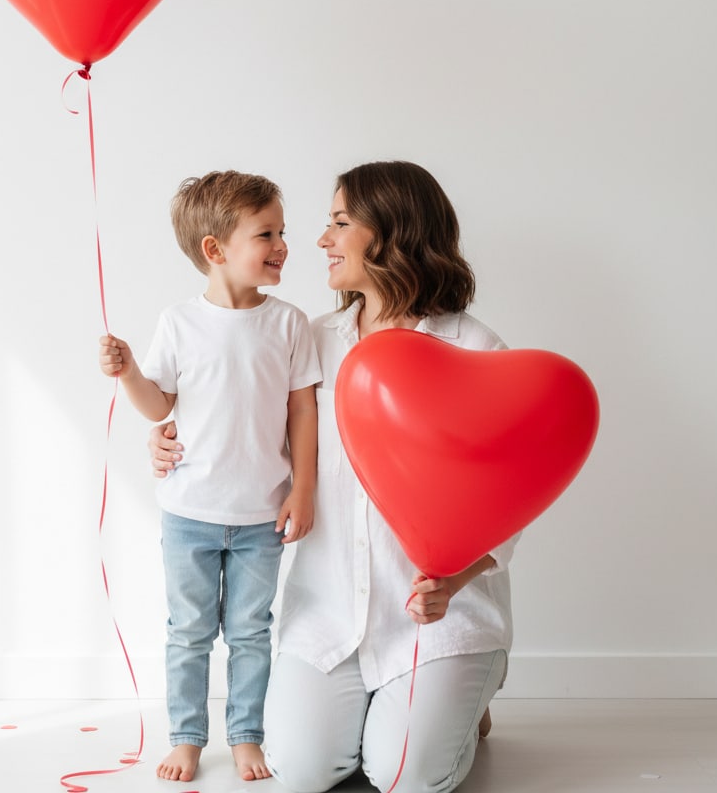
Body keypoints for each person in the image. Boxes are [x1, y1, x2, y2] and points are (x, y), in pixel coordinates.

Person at [149, 161, 517, 793]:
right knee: (301, 771)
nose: (319, 241)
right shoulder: (307, 339)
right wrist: (165, 434)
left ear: (393, 234)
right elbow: (233, 410)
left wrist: (456, 581)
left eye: (340, 222)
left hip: (435, 615)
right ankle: (395, 708)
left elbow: (514, 496)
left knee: (405, 776)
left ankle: (459, 702)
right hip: (328, 617)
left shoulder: (473, 348)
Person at [98, 170, 320, 784]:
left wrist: (303, 488)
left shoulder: (289, 323)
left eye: (282, 232)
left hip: (260, 516)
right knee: (189, 632)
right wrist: (128, 371)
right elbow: (157, 404)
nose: (281, 245)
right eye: (266, 234)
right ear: (215, 251)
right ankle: (188, 737)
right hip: (189, 514)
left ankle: (246, 734)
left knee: (252, 632)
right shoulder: (178, 322)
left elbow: (304, 410)